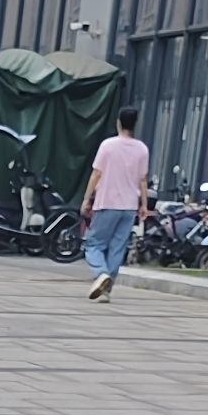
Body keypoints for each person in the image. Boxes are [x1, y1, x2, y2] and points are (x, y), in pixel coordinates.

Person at [82, 111, 153, 298]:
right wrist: (144, 205)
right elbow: (143, 179)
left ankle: (101, 274)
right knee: (117, 248)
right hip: (129, 206)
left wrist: (87, 199)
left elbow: (96, 173)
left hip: (107, 202)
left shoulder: (108, 145)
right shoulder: (142, 149)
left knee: (94, 245)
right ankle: (107, 290)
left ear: (119, 123)